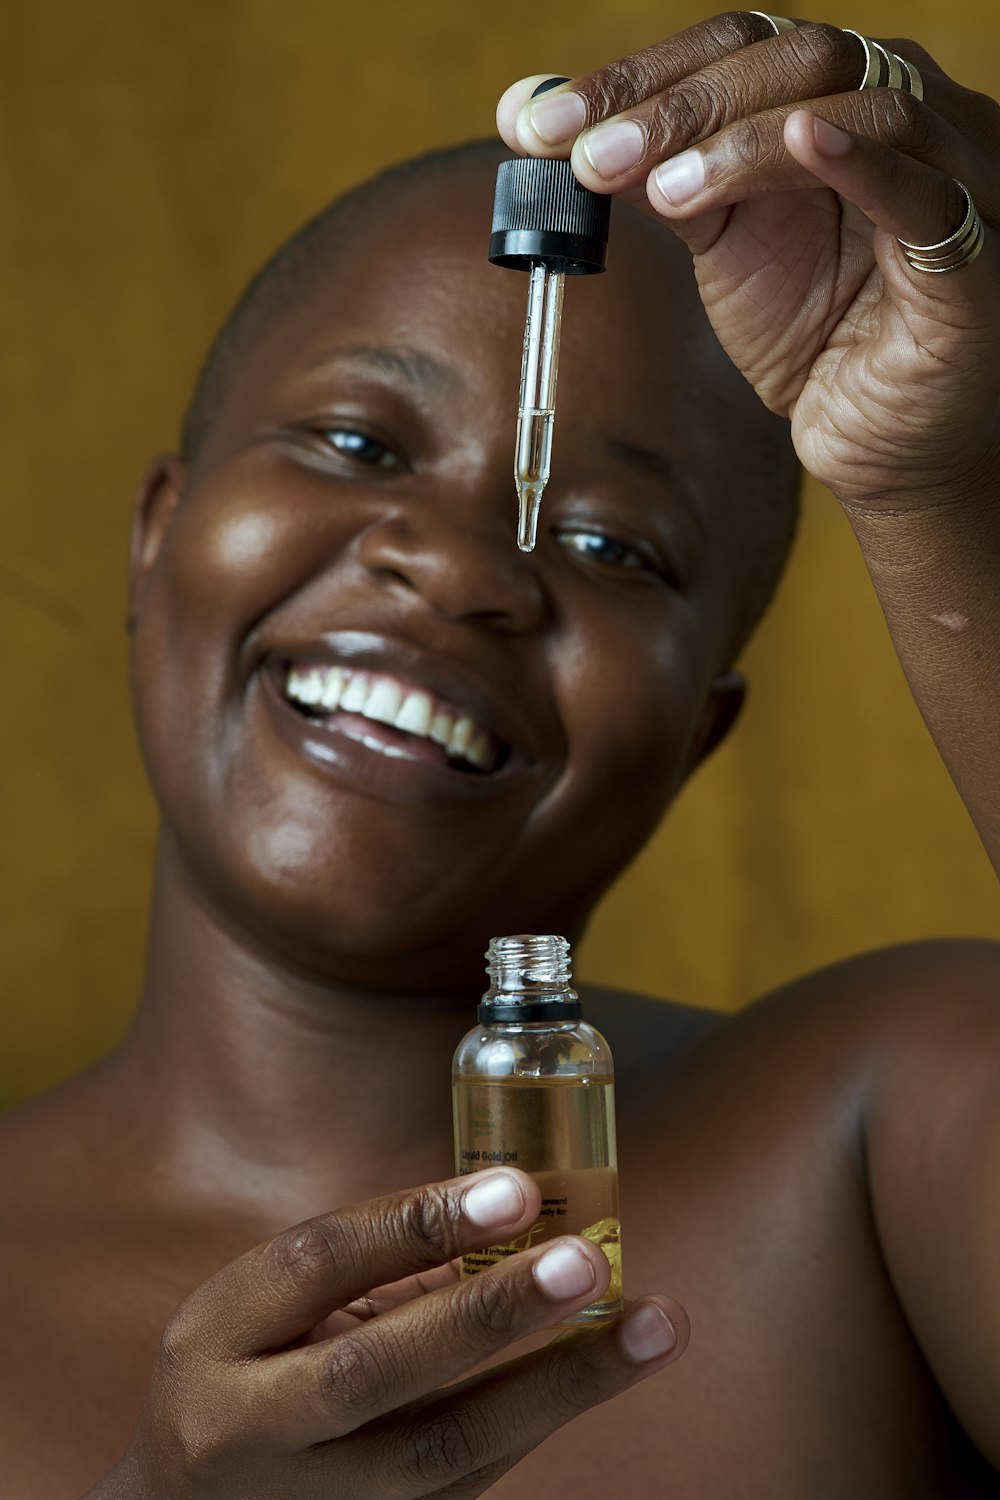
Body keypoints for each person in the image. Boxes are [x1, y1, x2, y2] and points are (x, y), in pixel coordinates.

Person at [2, 12, 999, 1497]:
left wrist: (945, 483)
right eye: (356, 445)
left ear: (698, 735)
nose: (462, 568)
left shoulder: (886, 1127)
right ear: (159, 536)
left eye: (613, 546)